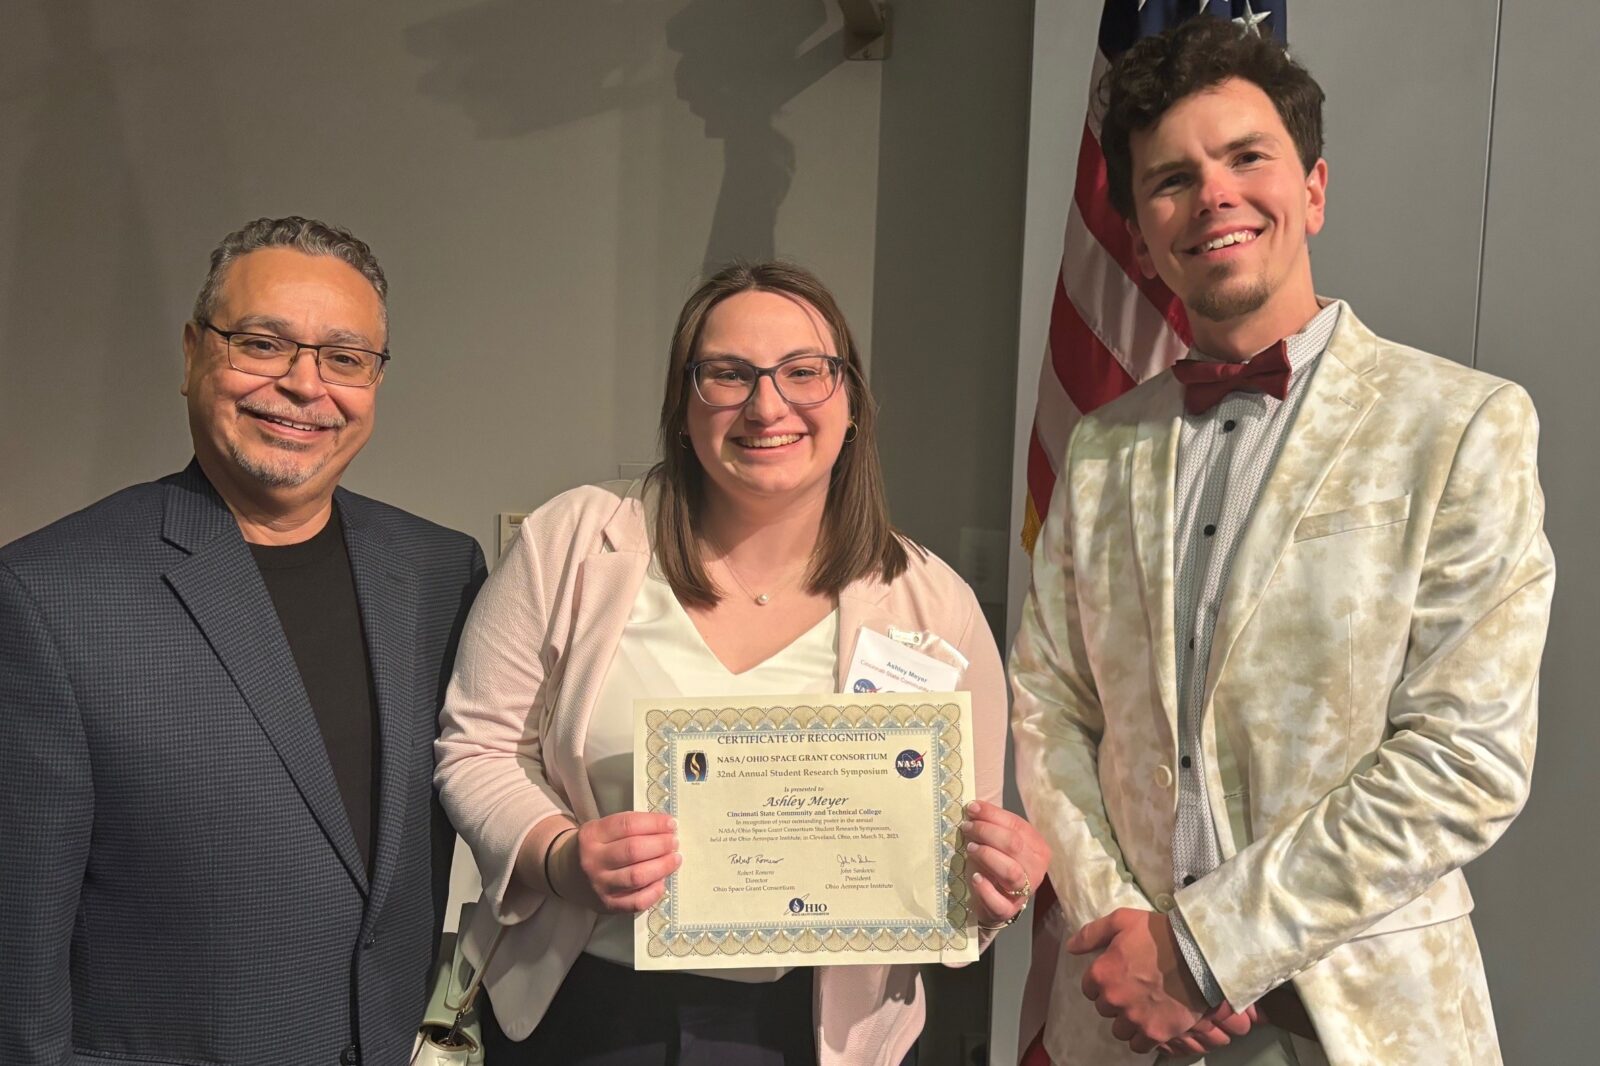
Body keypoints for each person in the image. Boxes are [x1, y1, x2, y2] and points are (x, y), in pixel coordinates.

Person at [1011, 17, 1553, 1066]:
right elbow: (1047, 707)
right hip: (1128, 1023)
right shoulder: (1095, 450)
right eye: (1170, 178)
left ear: (1310, 189)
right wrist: (1131, 936)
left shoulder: (1461, 425)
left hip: (1358, 1022)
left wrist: (1205, 947)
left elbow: (1464, 757)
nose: (1211, 193)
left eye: (1244, 157)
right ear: (1139, 234)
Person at [435, 261, 1051, 1065]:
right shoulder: (575, 543)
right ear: (683, 406)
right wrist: (559, 857)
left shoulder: (933, 604)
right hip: (583, 1009)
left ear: (852, 402)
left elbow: (954, 838)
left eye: (804, 372)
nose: (767, 404)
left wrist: (993, 880)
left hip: (814, 1030)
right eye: (727, 374)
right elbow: (477, 746)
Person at [0, 216, 486, 1066]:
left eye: (345, 358)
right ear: (193, 353)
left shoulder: (442, 572)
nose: (305, 387)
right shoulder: (47, 594)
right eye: (262, 344)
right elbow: (16, 952)